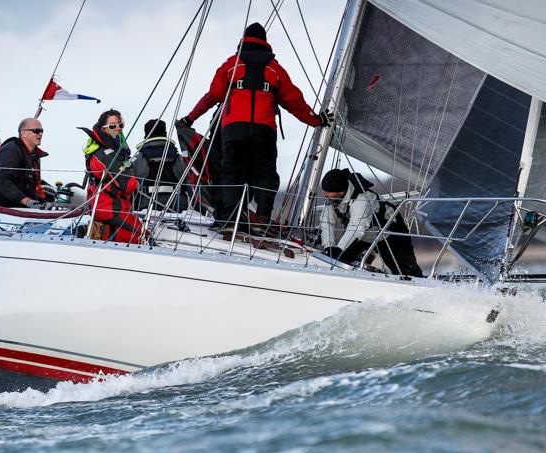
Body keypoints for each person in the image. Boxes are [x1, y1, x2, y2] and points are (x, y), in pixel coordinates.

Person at [178, 22, 333, 233]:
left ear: (244, 39)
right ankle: (261, 220)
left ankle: (230, 220)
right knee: (265, 174)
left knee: (231, 173)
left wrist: (190, 118)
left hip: (233, 130)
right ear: (265, 42)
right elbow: (295, 102)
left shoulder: (231, 65)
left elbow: (211, 96)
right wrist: (316, 120)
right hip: (264, 130)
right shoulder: (275, 70)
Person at [320, 168, 423, 277]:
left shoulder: (362, 199)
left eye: (327, 191)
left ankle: (422, 287)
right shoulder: (333, 199)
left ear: (341, 192)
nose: (324, 195)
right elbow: (327, 223)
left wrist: (338, 250)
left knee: (407, 272)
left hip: (390, 232)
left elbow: (356, 228)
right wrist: (329, 247)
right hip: (366, 235)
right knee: (343, 261)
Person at [78, 110, 142, 243]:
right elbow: (128, 185)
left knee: (127, 236)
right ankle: (96, 234)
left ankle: (99, 234)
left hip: (113, 208)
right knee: (142, 236)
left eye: (120, 125)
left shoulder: (112, 150)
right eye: (112, 126)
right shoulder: (105, 154)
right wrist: (135, 170)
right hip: (110, 208)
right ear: (103, 129)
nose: (117, 129)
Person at [0, 118, 48, 208]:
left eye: (41, 131)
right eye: (36, 131)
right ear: (23, 133)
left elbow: (32, 186)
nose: (40, 134)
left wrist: (43, 203)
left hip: (23, 211)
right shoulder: (10, 151)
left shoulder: (34, 156)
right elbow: (2, 182)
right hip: (2, 212)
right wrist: (27, 201)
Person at [133, 119, 188, 212]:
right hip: (179, 208)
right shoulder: (180, 159)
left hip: (146, 209)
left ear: (146, 135)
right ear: (165, 134)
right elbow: (190, 184)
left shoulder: (137, 160)